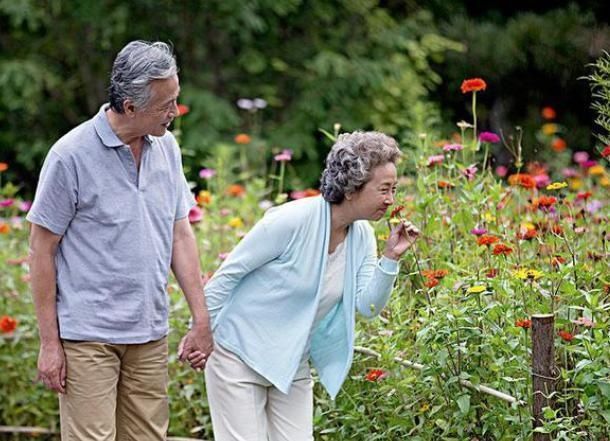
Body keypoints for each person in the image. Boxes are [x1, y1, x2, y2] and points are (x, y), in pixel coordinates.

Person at [26, 40, 213, 440]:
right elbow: (41, 250)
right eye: (166, 105)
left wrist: (201, 319)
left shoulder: (168, 148)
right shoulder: (69, 156)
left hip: (148, 332)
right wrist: (49, 344)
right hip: (87, 336)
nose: (174, 113)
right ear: (130, 106)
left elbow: (180, 233)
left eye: (176, 100)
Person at [184, 131, 420, 441]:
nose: (391, 200)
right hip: (238, 355)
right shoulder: (290, 220)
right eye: (384, 189)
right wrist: (199, 331)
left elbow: (368, 307)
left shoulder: (361, 237)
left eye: (394, 190)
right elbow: (228, 276)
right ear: (352, 187)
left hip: (291, 361)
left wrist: (390, 258)